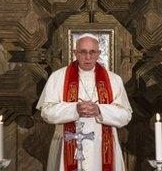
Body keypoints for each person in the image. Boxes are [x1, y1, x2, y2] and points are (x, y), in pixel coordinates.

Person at [37, 34, 132, 171]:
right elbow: (46, 112)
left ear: (99, 53)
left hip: (102, 149)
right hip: (67, 147)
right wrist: (74, 109)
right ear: (75, 53)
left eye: (92, 52)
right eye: (83, 52)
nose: (88, 57)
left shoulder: (114, 80)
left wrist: (100, 110)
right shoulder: (58, 77)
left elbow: (125, 116)